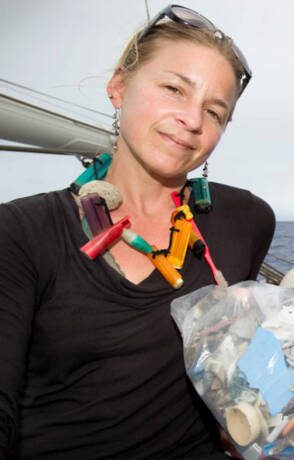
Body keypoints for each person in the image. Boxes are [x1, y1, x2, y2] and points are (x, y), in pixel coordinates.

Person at [0, 5, 274, 459]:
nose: (192, 119)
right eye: (173, 89)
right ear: (119, 86)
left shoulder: (248, 219)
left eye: (214, 110)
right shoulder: (21, 233)